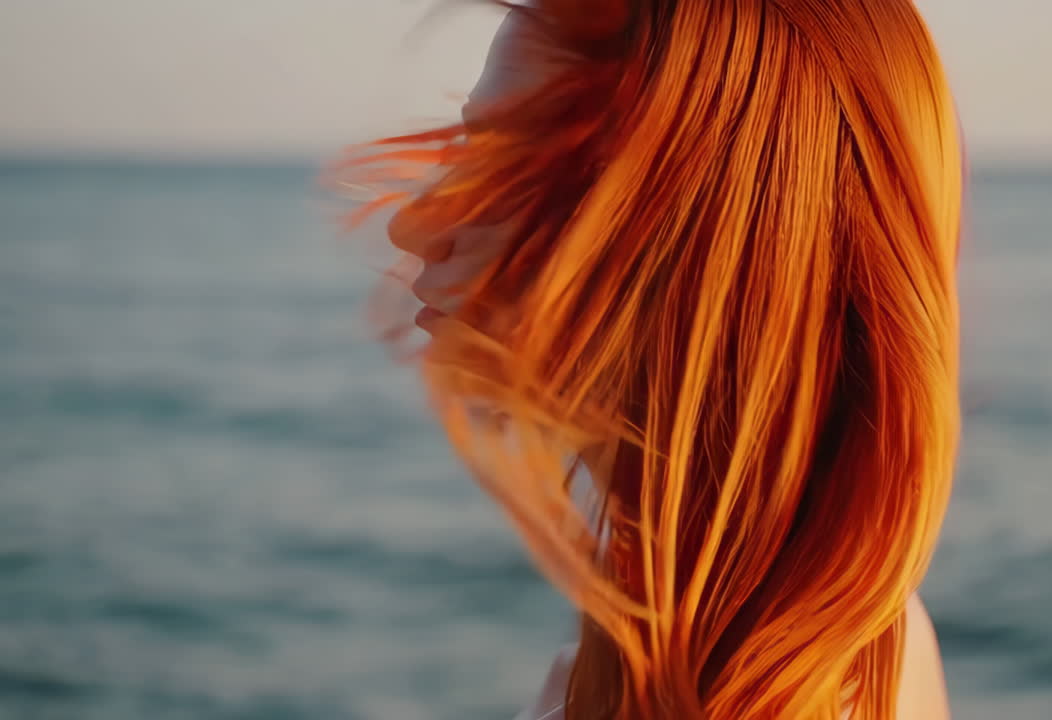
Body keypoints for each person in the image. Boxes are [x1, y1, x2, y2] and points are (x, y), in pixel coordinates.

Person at [338, 1, 963, 718]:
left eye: (510, 161)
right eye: (468, 150)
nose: (414, 221)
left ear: (696, 236)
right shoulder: (885, 646)